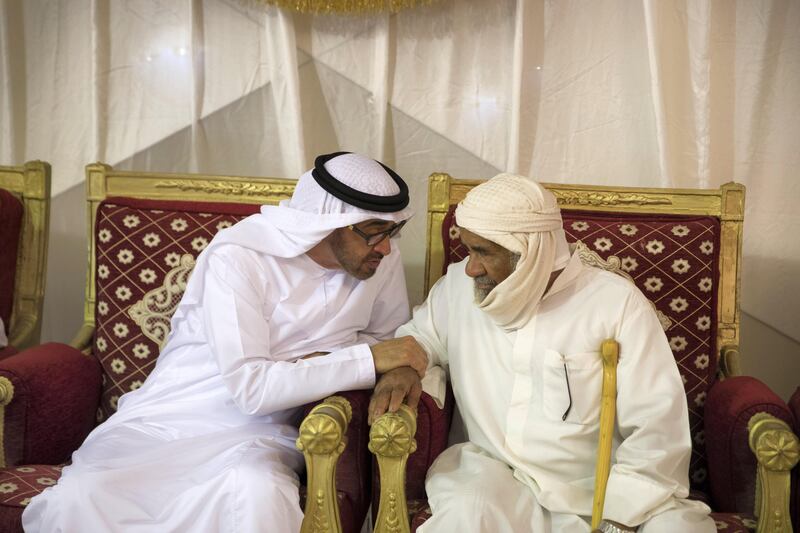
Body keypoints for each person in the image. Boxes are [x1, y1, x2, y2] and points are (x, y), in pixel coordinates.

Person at [22, 152, 428, 533]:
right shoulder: (240, 258)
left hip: (262, 433)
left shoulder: (378, 259)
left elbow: (389, 341)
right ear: (326, 223)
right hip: (175, 418)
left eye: (393, 232)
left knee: (255, 492)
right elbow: (251, 388)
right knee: (83, 498)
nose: (388, 248)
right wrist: (365, 358)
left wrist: (396, 364)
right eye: (375, 234)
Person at [369, 173, 715, 533]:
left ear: (529, 253)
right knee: (466, 516)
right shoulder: (458, 287)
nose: (470, 267)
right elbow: (419, 339)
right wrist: (405, 368)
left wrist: (620, 515)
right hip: (497, 478)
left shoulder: (615, 304)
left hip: (601, 489)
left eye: (482, 252)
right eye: (468, 249)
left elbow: (656, 425)